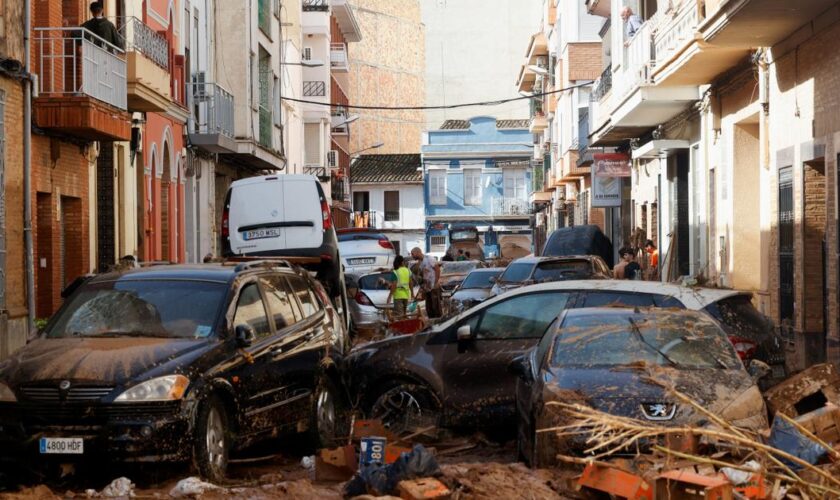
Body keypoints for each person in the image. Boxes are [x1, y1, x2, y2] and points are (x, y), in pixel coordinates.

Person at [411, 247, 442, 319]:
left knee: (436, 306)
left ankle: (439, 322)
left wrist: (435, 282)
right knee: (429, 307)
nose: (412, 256)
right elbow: (423, 276)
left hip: (433, 287)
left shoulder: (429, 259)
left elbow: (437, 269)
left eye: (413, 254)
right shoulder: (420, 263)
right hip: (427, 288)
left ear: (418, 252)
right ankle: (432, 322)